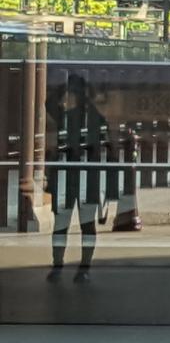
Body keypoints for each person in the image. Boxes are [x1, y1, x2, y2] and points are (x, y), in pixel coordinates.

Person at [45, 74, 105, 283]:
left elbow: (50, 103)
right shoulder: (77, 117)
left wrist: (64, 86)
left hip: (76, 178)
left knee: (72, 224)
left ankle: (69, 266)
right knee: (73, 224)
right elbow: (50, 103)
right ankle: (74, 267)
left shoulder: (89, 118)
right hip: (75, 177)